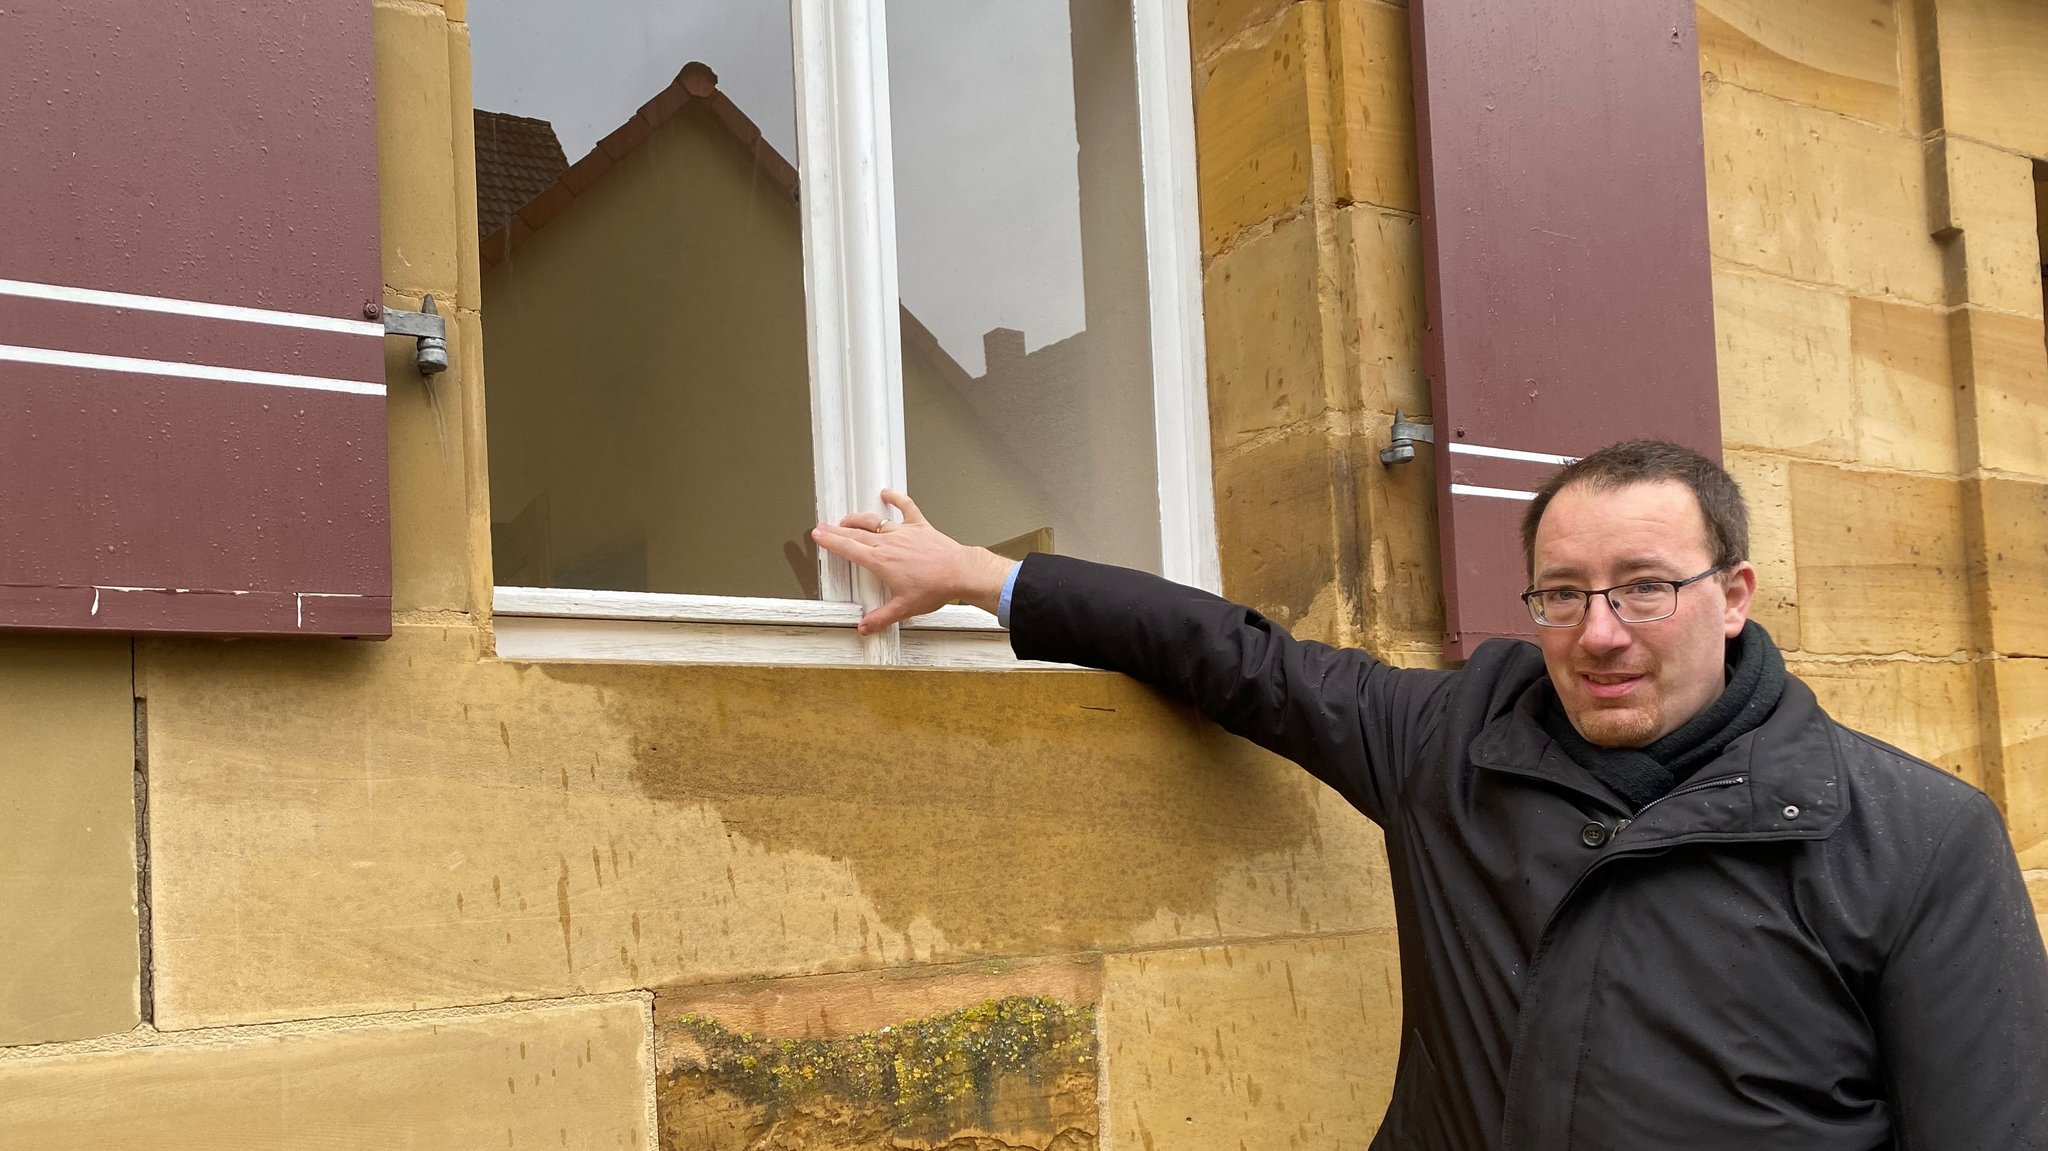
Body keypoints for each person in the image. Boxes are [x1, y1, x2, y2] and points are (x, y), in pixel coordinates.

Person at [812, 439, 2048, 1150]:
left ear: (1734, 595)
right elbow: (1240, 659)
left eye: (1643, 587)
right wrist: (984, 576)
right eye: (1561, 591)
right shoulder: (1450, 739)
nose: (1599, 631)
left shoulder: (1916, 837)